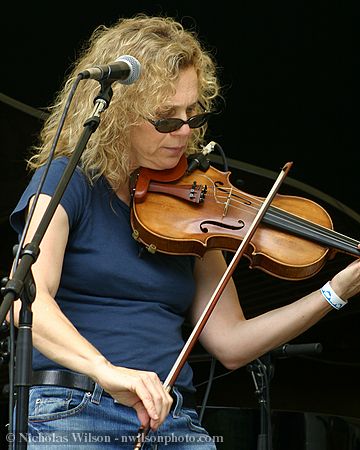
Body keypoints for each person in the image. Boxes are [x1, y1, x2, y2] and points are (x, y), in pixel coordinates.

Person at [7, 13, 360, 450]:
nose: (186, 131)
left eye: (192, 112)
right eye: (166, 118)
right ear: (118, 114)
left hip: (170, 421)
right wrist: (107, 371)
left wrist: (336, 290)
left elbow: (231, 341)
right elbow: (27, 302)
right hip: (73, 409)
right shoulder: (67, 181)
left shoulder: (193, 209)